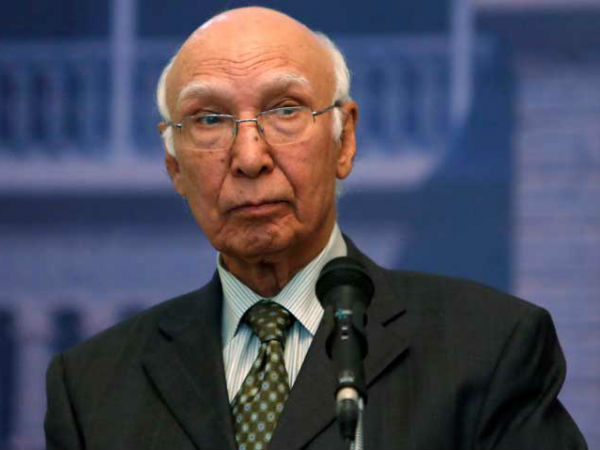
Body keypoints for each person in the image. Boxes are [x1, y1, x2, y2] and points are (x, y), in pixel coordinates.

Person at [44, 7, 588, 450]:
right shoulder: (92, 386)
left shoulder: (488, 348)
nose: (249, 157)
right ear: (174, 166)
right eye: (210, 119)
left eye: (285, 110)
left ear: (344, 140)